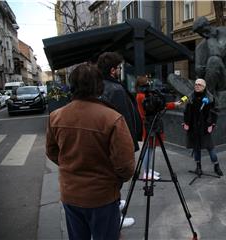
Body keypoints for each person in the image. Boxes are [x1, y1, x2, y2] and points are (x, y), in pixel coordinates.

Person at [46, 63, 135, 240]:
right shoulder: (112, 118)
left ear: (72, 86)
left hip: (70, 194)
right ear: (99, 86)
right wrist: (113, 179)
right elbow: (125, 166)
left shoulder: (56, 116)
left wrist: (70, 166)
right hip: (102, 196)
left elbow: (52, 152)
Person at [97, 52, 142, 228]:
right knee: (115, 179)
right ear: (113, 70)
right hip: (116, 143)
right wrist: (129, 147)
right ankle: (114, 217)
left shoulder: (101, 85)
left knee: (109, 178)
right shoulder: (114, 89)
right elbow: (124, 121)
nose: (120, 71)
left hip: (103, 143)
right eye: (119, 68)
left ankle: (115, 205)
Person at [135, 75, 182, 180]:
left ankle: (148, 170)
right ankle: (146, 172)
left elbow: (158, 105)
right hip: (149, 124)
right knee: (149, 148)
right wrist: (173, 104)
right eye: (147, 82)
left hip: (152, 123)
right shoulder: (141, 96)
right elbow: (158, 106)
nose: (149, 83)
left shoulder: (143, 94)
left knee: (151, 148)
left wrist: (173, 104)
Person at [192, 16, 226, 94]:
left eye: (203, 31)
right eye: (200, 33)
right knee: (172, 78)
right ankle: (198, 92)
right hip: (204, 81)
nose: (202, 34)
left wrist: (211, 38)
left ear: (208, 25)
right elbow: (198, 70)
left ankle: (207, 95)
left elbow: (218, 53)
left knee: (214, 60)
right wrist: (200, 69)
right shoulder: (200, 47)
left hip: (224, 81)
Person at [183, 78, 223, 176]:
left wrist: (212, 124)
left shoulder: (210, 98)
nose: (197, 86)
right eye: (196, 84)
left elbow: (215, 111)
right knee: (196, 148)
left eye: (199, 84)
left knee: (210, 148)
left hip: (205, 126)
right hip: (193, 127)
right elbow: (186, 111)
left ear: (204, 87)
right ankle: (198, 167)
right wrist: (186, 123)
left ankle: (216, 166)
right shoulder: (190, 97)